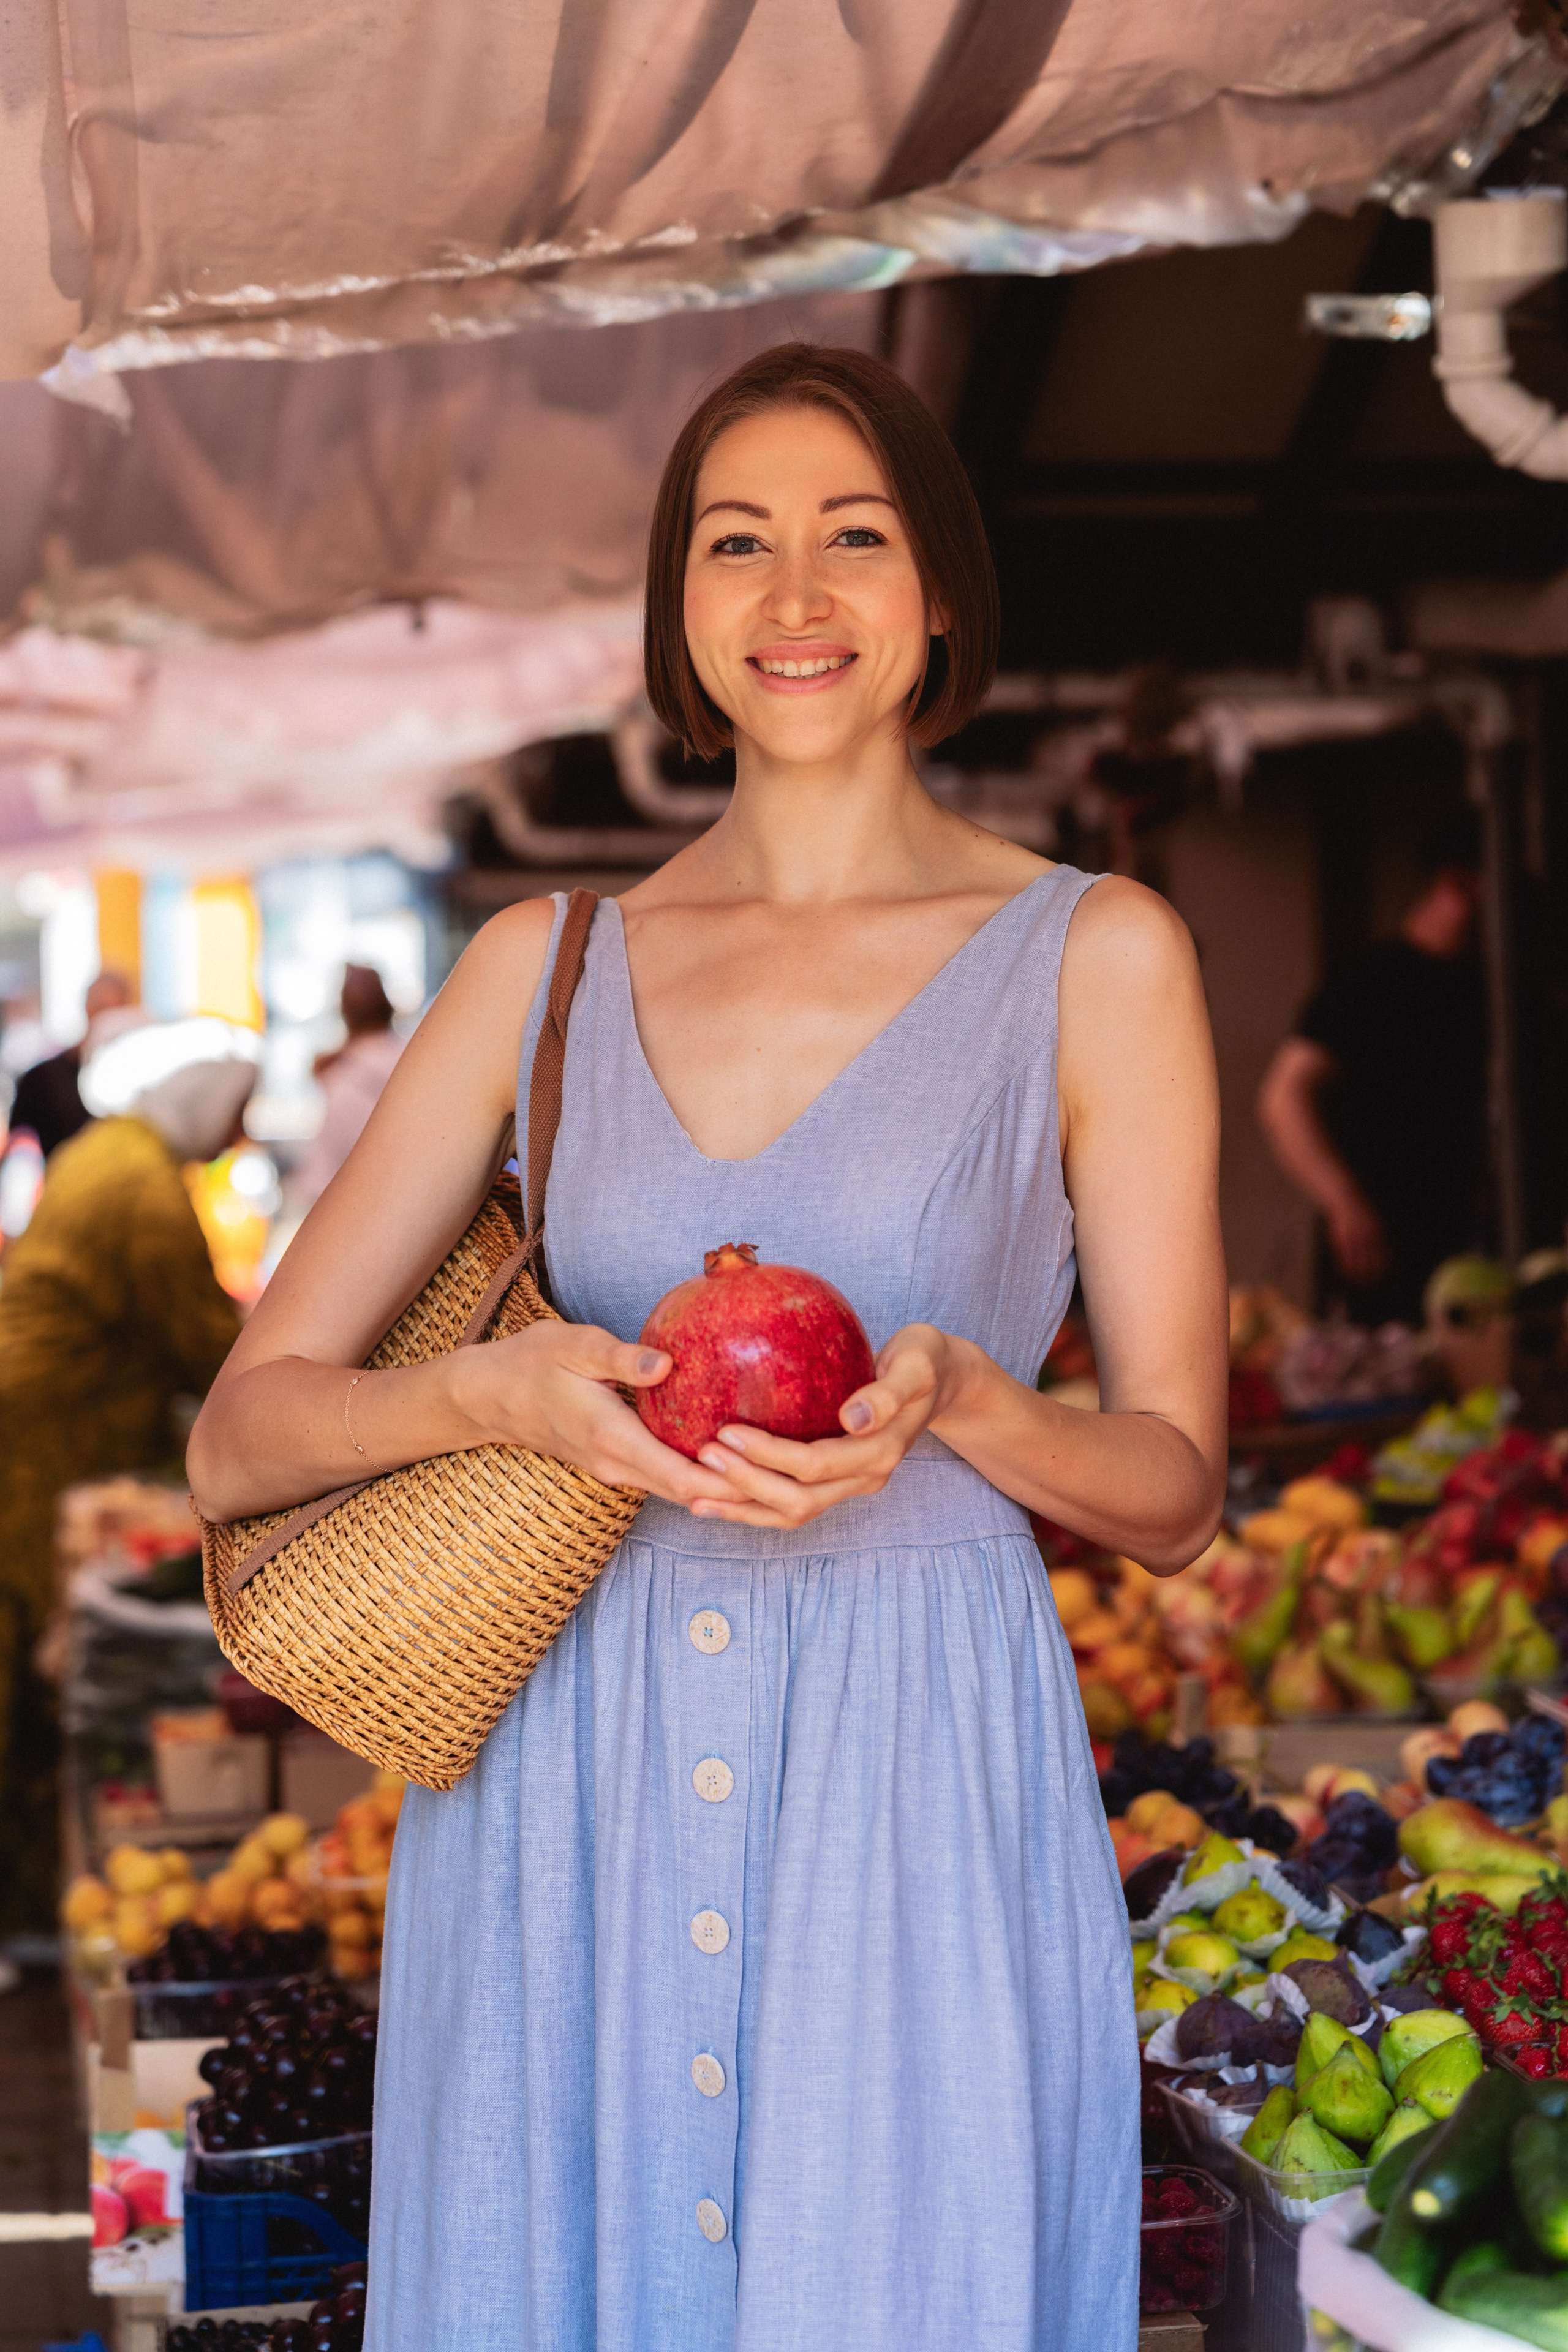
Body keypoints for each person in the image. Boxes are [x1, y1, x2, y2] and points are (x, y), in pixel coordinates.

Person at [189, 346, 1227, 2352]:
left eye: (857, 536)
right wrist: (492, 1392)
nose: (797, 592)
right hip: (569, 1773)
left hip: (912, 1785)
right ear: (682, 614)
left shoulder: (1098, 957)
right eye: (737, 544)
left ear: (940, 597)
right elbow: (247, 1439)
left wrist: (979, 1403)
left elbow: (1177, 1495)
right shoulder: (539, 972)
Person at [0, 1019, 255, 1929]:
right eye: (237, 1108)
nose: (240, 1133)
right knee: (30, 1662)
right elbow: (210, 1348)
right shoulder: (145, 1190)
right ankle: (29, 1910)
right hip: (46, 1440)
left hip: (41, 1422)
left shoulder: (107, 1150)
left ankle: (30, 1908)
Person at [1256, 811, 1489, 1327]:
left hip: (1471, 1248)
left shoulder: (1491, 988)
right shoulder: (1369, 985)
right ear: (1455, 883)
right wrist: (1343, 1199)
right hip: (1383, 1253)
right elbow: (1283, 1097)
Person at [293, 965, 405, 1208]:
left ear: (344, 1012)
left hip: (361, 1217)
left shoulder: (343, 1079)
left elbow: (321, 1185)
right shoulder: (418, 1063)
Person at [9, 970, 137, 1158]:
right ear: (87, 1007)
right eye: (101, 1008)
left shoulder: (135, 1080)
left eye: (114, 1011)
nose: (107, 1019)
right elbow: (17, 1142)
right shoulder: (43, 1078)